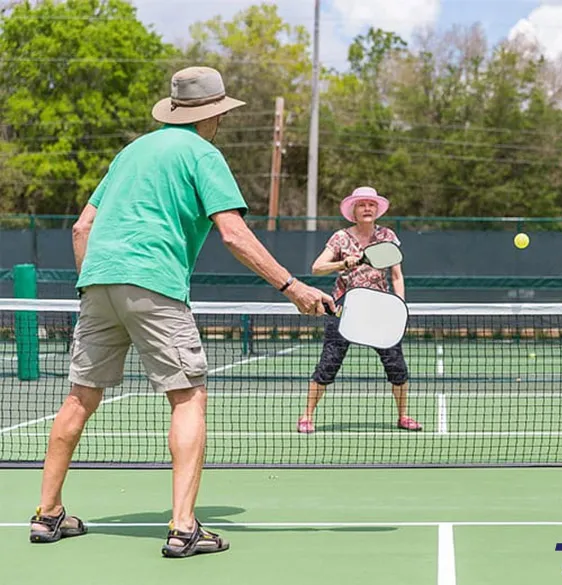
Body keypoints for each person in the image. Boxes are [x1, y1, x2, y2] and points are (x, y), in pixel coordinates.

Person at [28, 66, 334, 558]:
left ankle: (47, 515)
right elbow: (232, 233)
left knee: (80, 398)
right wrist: (291, 286)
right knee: (188, 398)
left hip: (96, 283)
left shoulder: (131, 152)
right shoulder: (203, 154)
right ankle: (184, 527)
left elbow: (82, 228)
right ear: (212, 115)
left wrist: (92, 284)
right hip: (154, 283)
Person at [297, 186, 422, 434]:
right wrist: (343, 262)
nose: (367, 208)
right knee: (329, 363)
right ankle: (306, 416)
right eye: (362, 204)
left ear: (377, 210)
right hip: (344, 308)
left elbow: (397, 276)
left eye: (371, 204)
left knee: (396, 365)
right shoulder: (340, 238)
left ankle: (403, 416)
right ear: (353, 210)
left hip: (381, 309)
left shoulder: (387, 236)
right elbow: (317, 267)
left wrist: (400, 306)